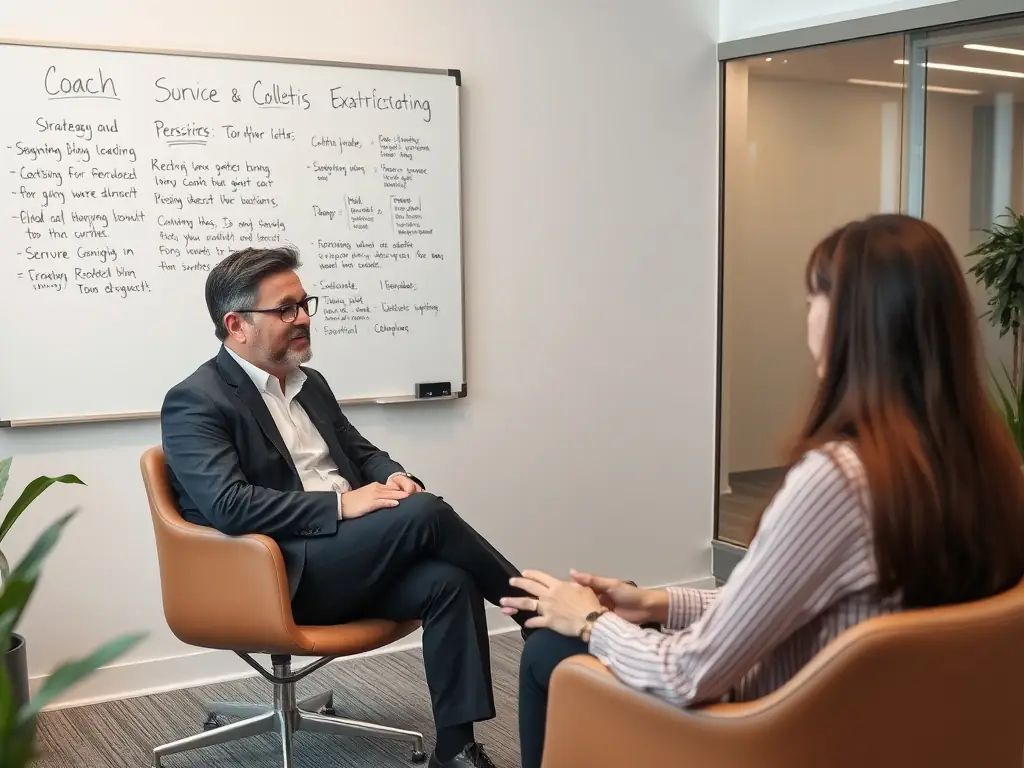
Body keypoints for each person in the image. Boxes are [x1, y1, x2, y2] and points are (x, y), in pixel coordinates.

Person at [501, 214, 1024, 768]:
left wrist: (590, 621)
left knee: (550, 653)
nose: (807, 318)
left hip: (776, 738)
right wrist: (655, 602)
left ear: (851, 322)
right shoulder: (990, 467)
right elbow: (797, 601)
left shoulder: (840, 482)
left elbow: (690, 673)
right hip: (900, 734)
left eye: (813, 301)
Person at [161, 246, 534, 768]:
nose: (303, 318)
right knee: (424, 513)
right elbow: (228, 505)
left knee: (449, 580)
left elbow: (359, 451)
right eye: (285, 309)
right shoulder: (196, 400)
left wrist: (393, 477)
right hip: (280, 574)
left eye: (304, 303)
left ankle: (456, 750)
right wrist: (341, 505)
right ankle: (531, 608)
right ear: (236, 324)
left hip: (351, 559)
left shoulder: (309, 383)